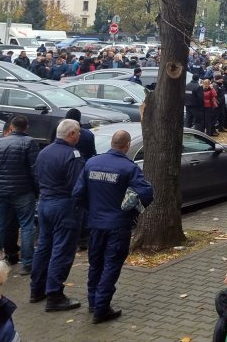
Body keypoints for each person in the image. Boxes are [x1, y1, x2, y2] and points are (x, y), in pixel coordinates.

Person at [72, 129, 154, 324]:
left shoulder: (92, 163)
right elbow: (146, 193)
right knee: (111, 265)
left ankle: (93, 301)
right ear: (126, 146)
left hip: (96, 224)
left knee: (96, 263)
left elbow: (77, 193)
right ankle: (101, 308)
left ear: (112, 143)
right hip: (118, 225)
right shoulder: (128, 168)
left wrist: (91, 210)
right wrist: (133, 210)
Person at [30, 119, 86, 311]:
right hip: (64, 206)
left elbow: (36, 176)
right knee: (62, 250)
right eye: (78, 132)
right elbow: (77, 186)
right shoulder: (73, 155)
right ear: (71, 134)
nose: (79, 135)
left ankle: (37, 289)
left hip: (45, 203)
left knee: (44, 246)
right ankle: (54, 295)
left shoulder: (44, 152)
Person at [0, 115, 39, 275]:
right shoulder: (29, 142)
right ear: (26, 127)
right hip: (23, 191)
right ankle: (27, 263)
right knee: (27, 226)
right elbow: (35, 170)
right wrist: (36, 189)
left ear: (11, 127)